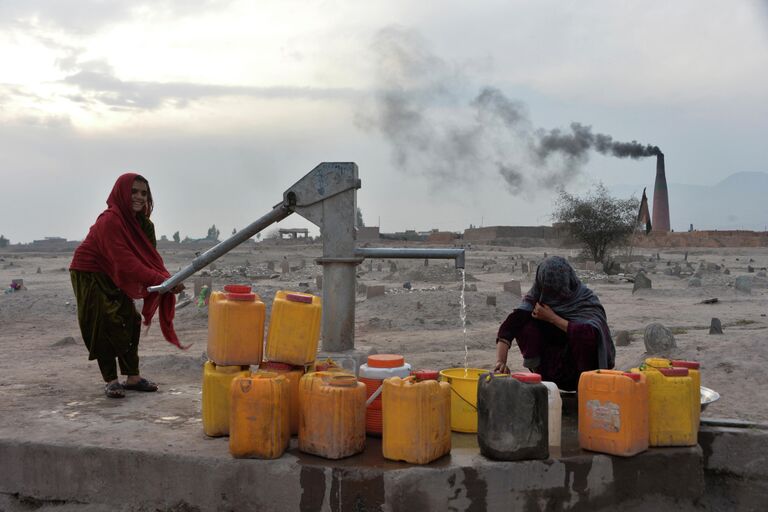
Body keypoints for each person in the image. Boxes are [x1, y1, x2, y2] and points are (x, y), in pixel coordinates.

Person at [70, 173, 186, 398]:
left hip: (114, 272)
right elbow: (126, 262)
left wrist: (170, 281)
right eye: (134, 191)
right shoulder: (110, 220)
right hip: (89, 272)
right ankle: (111, 380)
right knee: (102, 321)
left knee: (129, 319)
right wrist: (163, 281)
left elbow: (149, 258)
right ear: (121, 192)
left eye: (144, 193)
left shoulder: (145, 225)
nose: (139, 197)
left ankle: (133, 377)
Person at [493, 256, 615, 391]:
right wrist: (500, 362)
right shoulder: (538, 296)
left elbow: (592, 335)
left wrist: (552, 318)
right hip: (548, 371)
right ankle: (543, 384)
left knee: (584, 336)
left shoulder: (584, 299)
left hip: (581, 371)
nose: (553, 296)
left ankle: (585, 391)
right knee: (526, 324)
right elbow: (510, 326)